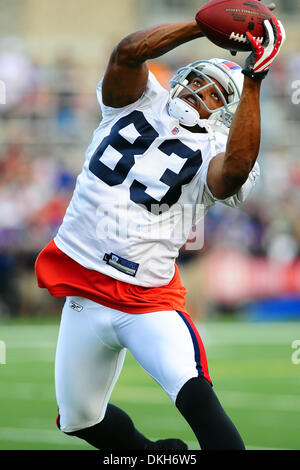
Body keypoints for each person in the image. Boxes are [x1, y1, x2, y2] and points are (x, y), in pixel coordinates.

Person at [35, 8, 285, 451]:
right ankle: (157, 458)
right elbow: (129, 52)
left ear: (226, 113)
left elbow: (237, 168)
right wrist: (200, 26)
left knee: (198, 401)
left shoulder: (217, 147)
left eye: (212, 94)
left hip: (145, 302)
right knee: (77, 419)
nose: (196, 90)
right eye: (195, 79)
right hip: (85, 297)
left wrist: (254, 79)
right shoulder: (137, 100)